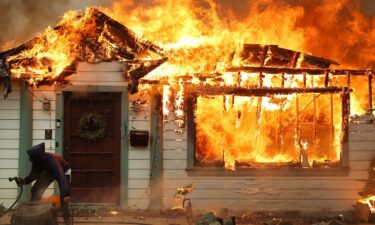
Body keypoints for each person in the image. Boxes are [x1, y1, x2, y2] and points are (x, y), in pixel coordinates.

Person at [17, 142, 72, 225]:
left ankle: (66, 219)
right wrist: (24, 181)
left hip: (63, 171)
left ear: (38, 157)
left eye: (31, 157)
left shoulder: (53, 162)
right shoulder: (37, 161)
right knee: (36, 189)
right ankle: (35, 213)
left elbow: (62, 179)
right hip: (49, 172)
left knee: (63, 196)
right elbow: (33, 175)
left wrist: (66, 193)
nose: (30, 159)